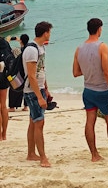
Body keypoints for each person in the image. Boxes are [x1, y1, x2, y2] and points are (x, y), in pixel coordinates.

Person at [73, 18, 108, 162]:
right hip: (103, 91)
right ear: (99, 29)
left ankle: (94, 155)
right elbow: (107, 71)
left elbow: (76, 72)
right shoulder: (102, 46)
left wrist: (90, 70)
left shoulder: (79, 48)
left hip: (88, 91)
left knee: (90, 122)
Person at [22, 21, 52, 167]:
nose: (50, 35)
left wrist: (46, 88)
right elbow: (32, 75)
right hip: (32, 91)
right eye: (49, 32)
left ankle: (31, 153)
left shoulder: (41, 48)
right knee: (39, 122)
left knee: (34, 122)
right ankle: (43, 158)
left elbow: (42, 70)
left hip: (39, 88)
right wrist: (40, 97)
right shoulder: (31, 50)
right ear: (45, 32)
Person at [7, 34, 29, 111]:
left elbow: (8, 50)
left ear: (21, 41)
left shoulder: (18, 51)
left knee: (14, 88)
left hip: (18, 72)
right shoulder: (27, 49)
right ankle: (26, 106)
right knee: (26, 88)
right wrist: (19, 40)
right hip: (26, 72)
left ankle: (12, 107)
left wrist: (8, 41)